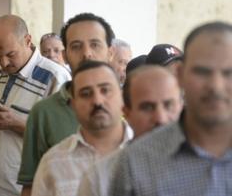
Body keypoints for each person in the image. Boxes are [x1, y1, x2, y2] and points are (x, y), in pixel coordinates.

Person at [109, 21, 232, 196]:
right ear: (180, 76)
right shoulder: (136, 162)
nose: (215, 86)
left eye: (229, 72)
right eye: (202, 72)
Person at [0, 15, 71, 196]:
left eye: (10, 54)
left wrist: (14, 123)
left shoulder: (56, 77)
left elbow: (64, 143)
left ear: (27, 40)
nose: (3, 63)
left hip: (24, 190)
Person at [18, 13, 115, 196]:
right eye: (76, 46)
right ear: (66, 55)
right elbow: (30, 186)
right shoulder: (43, 112)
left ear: (110, 52)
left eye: (95, 44)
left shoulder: (132, 105)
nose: (87, 53)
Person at [77, 65, 183, 196]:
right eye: (147, 107)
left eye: (168, 105)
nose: (160, 118)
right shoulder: (101, 179)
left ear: (181, 107)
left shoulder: (209, 165)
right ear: (127, 113)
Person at [31, 61, 133, 196]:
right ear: (73, 104)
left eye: (105, 90)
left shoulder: (149, 154)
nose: (97, 100)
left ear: (122, 96)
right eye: (85, 93)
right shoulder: (52, 163)